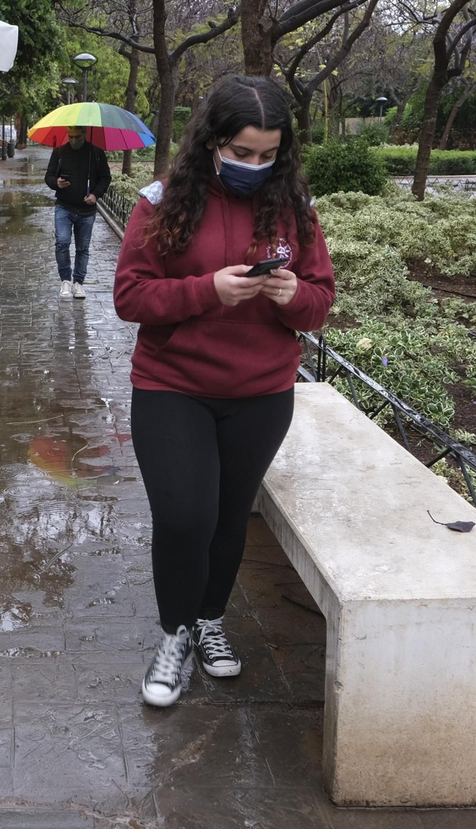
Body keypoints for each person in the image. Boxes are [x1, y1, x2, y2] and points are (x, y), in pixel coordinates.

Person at [112, 75, 336, 707]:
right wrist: (207, 289)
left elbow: (320, 300)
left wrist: (295, 296)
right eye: (241, 153)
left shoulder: (294, 207)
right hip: (172, 386)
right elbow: (130, 297)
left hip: (261, 393)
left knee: (228, 518)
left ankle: (210, 619)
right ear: (211, 142)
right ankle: (174, 635)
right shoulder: (162, 202)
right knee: (186, 517)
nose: (253, 166)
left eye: (267, 155)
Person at [44, 126, 111, 300]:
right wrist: (56, 183)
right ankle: (65, 280)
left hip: (86, 210)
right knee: (62, 242)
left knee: (83, 248)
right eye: (71, 136)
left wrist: (95, 194)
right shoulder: (60, 152)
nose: (74, 140)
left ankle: (78, 283)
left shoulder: (96, 153)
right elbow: (49, 176)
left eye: (77, 136)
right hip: (64, 206)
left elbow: (105, 177)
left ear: (84, 134)